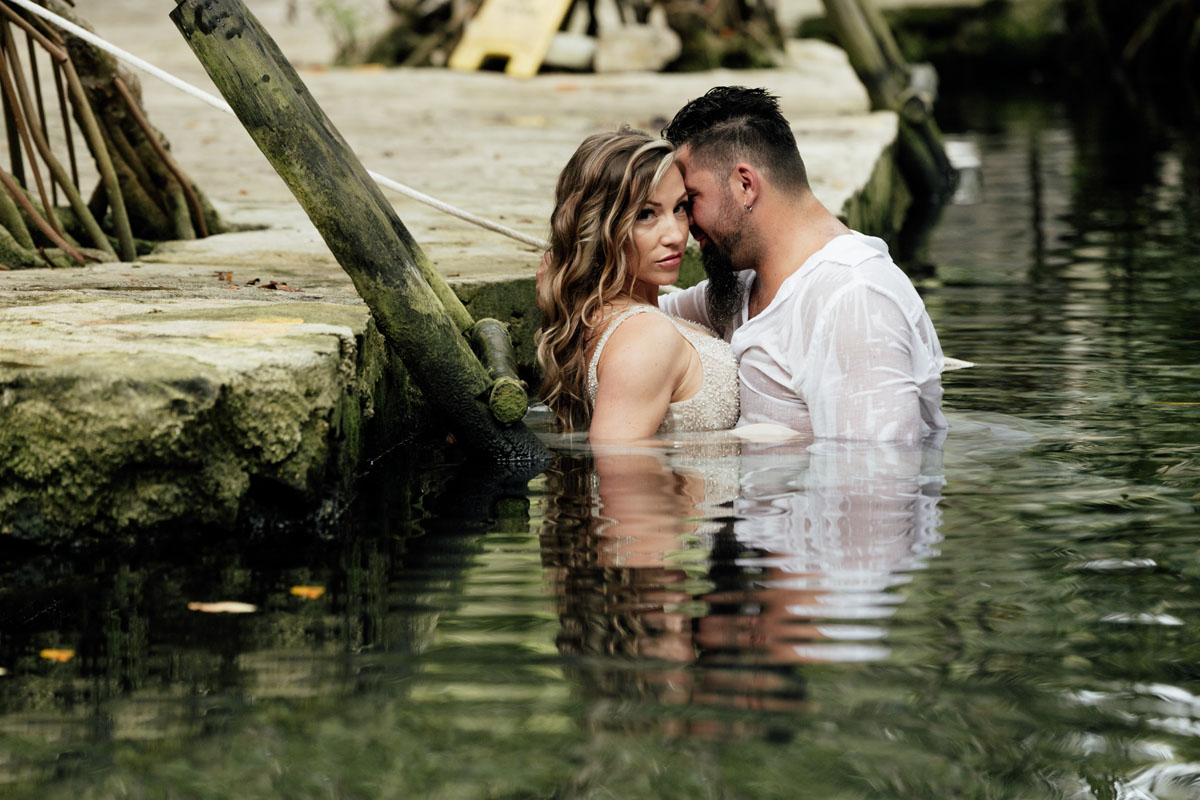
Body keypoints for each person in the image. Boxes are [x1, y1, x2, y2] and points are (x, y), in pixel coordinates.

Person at [659, 86, 948, 444]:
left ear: (745, 185)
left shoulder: (854, 298)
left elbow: (878, 482)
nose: (684, 224)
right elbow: (636, 316)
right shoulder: (744, 286)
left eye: (691, 200)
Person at [535, 128, 739, 441]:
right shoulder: (647, 337)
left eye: (679, 208)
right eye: (646, 214)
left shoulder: (599, 315)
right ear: (602, 225)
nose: (674, 236)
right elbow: (620, 473)